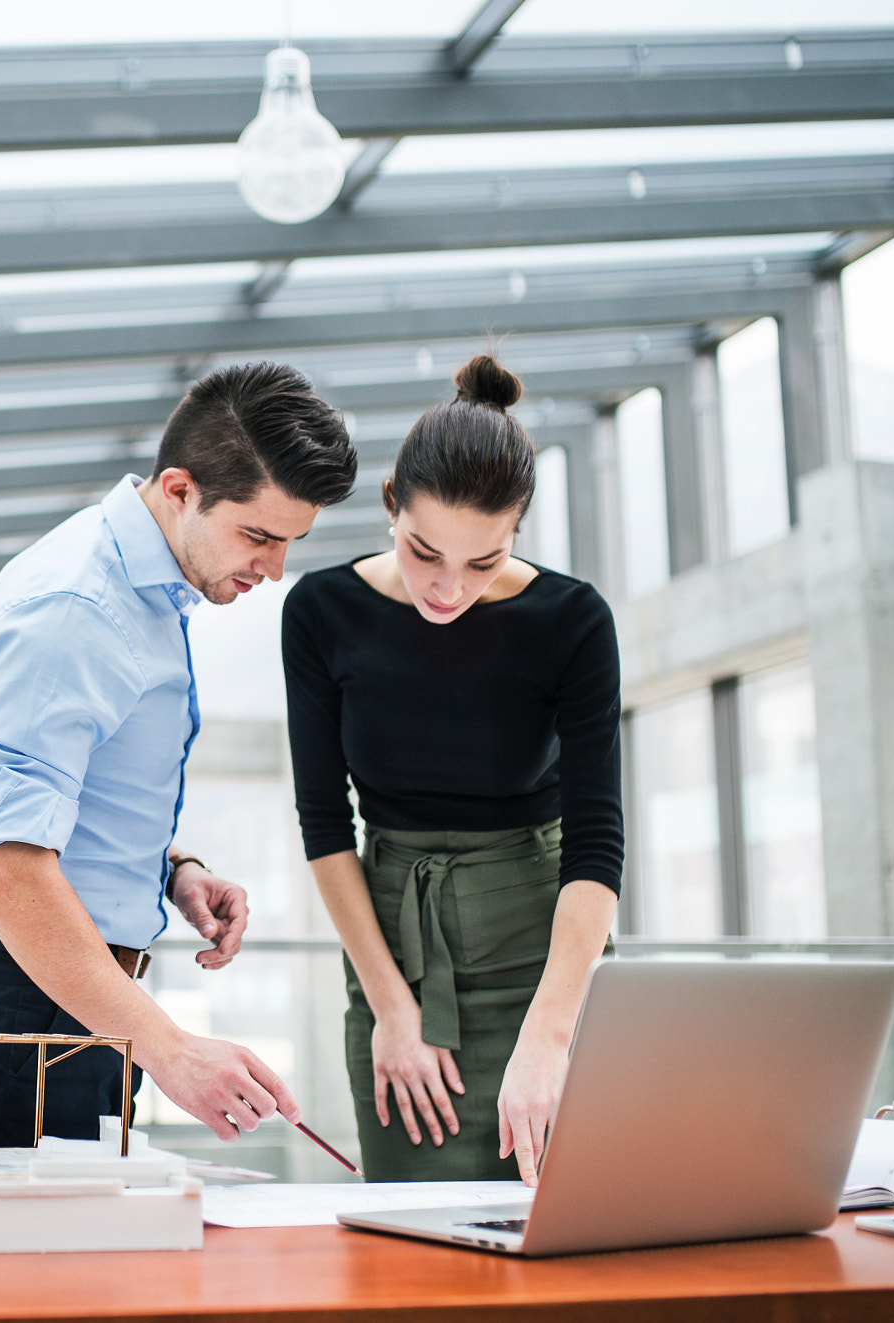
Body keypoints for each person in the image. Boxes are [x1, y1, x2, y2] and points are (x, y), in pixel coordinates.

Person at [0, 361, 361, 1146]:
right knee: (16, 1267)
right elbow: (5, 871)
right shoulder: (77, 607)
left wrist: (170, 865)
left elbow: (64, 792)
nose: (275, 569)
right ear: (179, 489)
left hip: (68, 991)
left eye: (289, 543)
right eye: (258, 536)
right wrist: (173, 1050)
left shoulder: (144, 588)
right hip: (12, 1000)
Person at [280, 354, 622, 1186]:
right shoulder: (322, 612)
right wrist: (392, 1007)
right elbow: (326, 826)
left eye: (484, 561)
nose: (448, 588)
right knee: (416, 1251)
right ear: (392, 503)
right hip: (396, 948)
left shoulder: (572, 621)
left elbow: (597, 843)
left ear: (516, 532)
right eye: (425, 551)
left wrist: (550, 1032)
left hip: (544, 955)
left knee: (569, 1229)